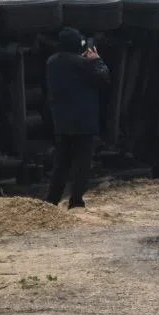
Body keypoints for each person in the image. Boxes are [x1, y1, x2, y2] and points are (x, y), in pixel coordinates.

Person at [44, 27, 110, 208]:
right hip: (84, 122)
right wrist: (97, 60)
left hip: (62, 120)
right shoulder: (83, 64)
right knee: (82, 164)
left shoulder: (52, 62)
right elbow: (103, 78)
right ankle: (76, 200)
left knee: (61, 164)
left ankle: (52, 199)